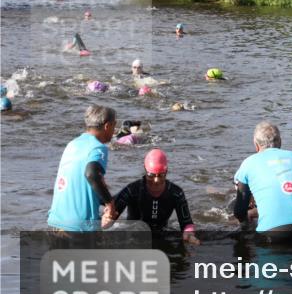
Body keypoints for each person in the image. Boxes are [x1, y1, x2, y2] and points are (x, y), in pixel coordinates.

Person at [232, 121, 292, 239]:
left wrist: (246, 225)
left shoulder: (248, 163)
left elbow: (239, 211)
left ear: (256, 145)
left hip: (273, 232)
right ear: (280, 142)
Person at [103, 149, 200, 244]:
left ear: (166, 171)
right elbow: (111, 216)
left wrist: (189, 234)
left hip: (161, 234)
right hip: (134, 236)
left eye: (161, 175)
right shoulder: (132, 190)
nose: (156, 180)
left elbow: (186, 223)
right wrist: (106, 220)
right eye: (151, 175)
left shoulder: (176, 193)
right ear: (145, 170)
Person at [48, 104, 117, 232]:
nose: (114, 131)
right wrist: (110, 204)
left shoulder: (72, 144)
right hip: (80, 227)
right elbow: (91, 174)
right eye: (114, 125)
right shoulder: (98, 147)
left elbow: (84, 182)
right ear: (107, 126)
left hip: (56, 223)